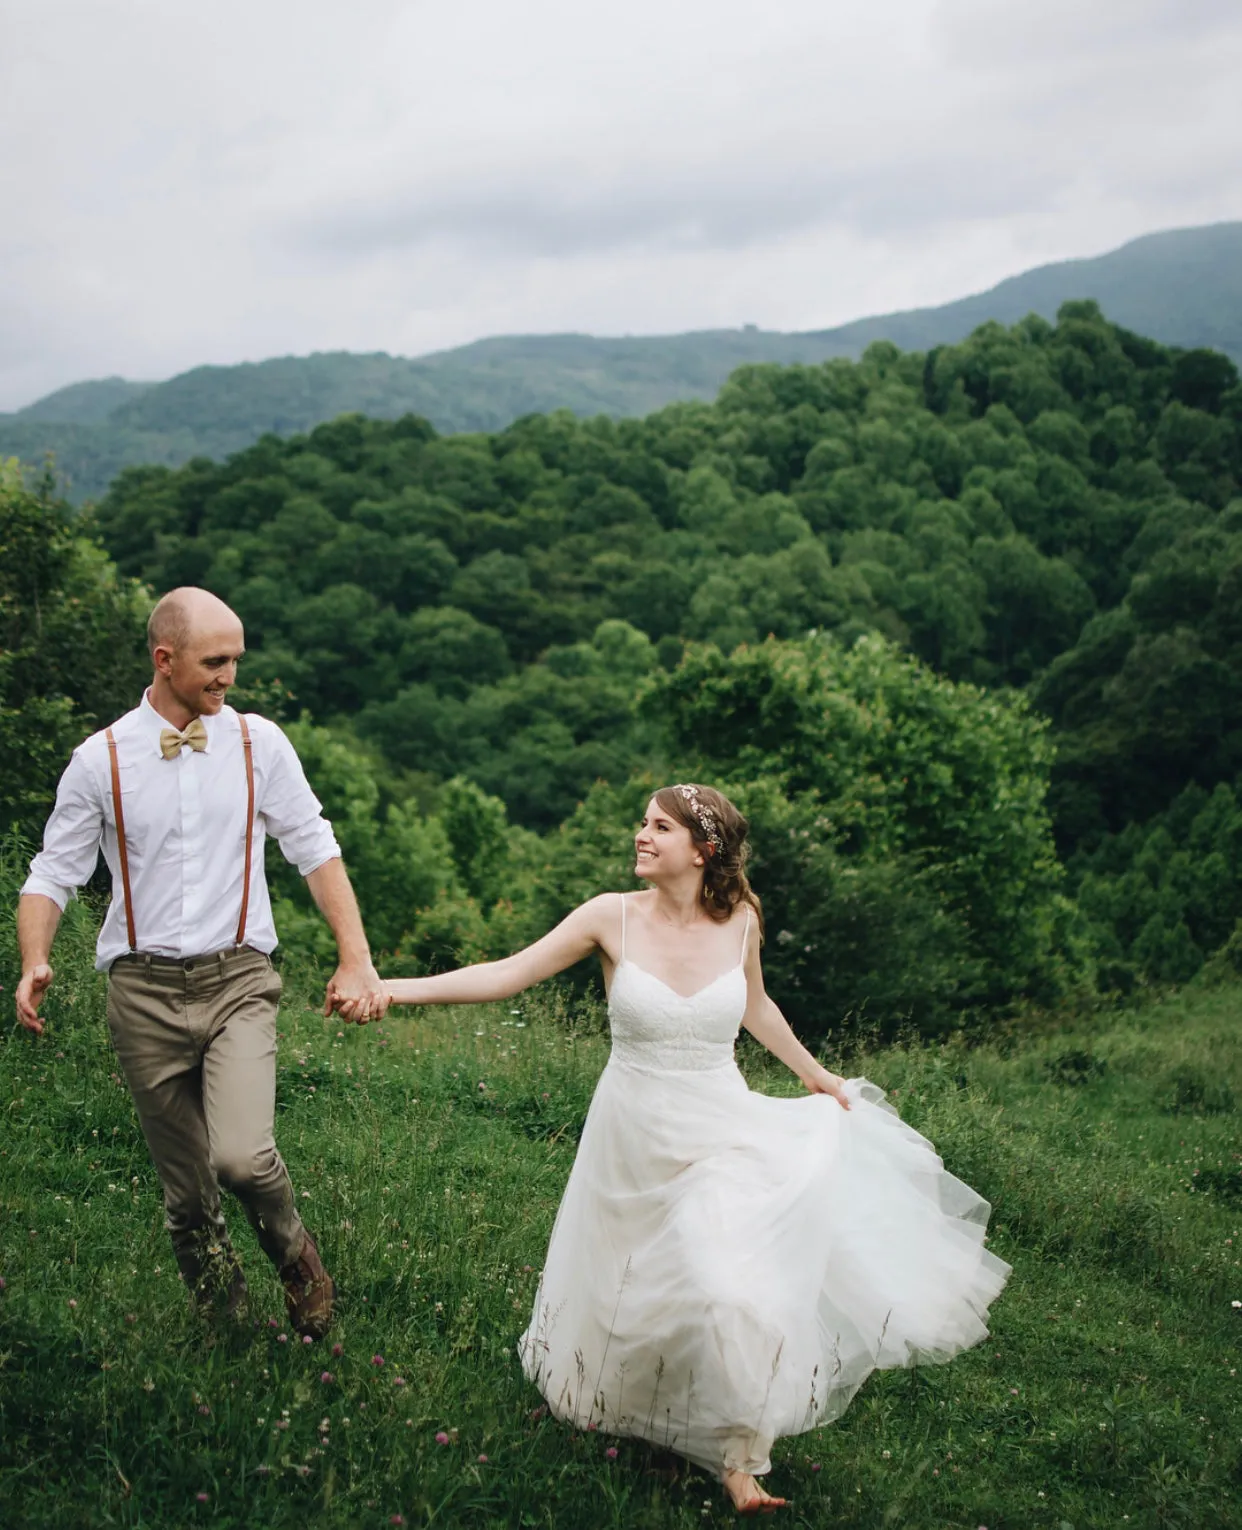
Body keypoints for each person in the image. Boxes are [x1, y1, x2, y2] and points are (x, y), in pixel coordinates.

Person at [336, 783, 1011, 1513]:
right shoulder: (609, 916)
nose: (641, 835)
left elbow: (754, 1003)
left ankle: (738, 1463)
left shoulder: (741, 920)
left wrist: (815, 1076)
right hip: (632, 1132)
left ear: (704, 848)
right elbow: (505, 975)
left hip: (722, 1127)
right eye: (644, 824)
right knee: (642, 1282)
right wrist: (393, 990)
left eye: (660, 827)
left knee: (727, 1283)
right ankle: (653, 1421)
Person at [14, 587, 388, 1336]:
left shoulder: (259, 744)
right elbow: (52, 871)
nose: (229, 677)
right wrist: (35, 958)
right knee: (187, 1199)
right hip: (141, 994)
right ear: (165, 660)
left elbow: (313, 847)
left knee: (244, 1160)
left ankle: (295, 1257)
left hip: (238, 981)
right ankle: (229, 1335)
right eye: (215, 662)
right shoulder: (100, 759)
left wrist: (357, 958)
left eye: (235, 661)